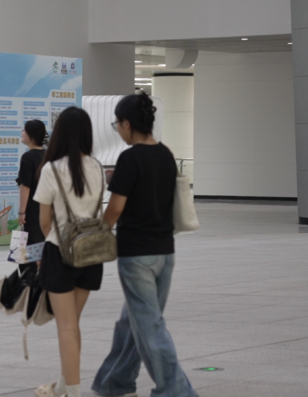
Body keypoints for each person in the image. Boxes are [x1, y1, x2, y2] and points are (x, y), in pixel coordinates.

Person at [92, 93, 197, 397]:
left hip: (136, 254)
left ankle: (176, 390)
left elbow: (114, 209)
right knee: (132, 322)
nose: (118, 130)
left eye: (117, 124)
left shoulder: (130, 158)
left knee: (149, 325)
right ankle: (115, 382)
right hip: (165, 251)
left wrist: (98, 235)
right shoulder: (166, 154)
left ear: (127, 123)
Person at [32, 107, 105, 397]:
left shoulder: (51, 169)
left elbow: (44, 221)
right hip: (91, 251)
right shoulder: (97, 167)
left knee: (65, 327)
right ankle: (63, 386)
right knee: (72, 324)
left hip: (59, 252)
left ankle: (72, 393)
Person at [16, 119, 47, 269]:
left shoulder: (28, 157)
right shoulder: (48, 155)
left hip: (32, 211)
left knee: (29, 256)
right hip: (47, 209)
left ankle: (30, 279)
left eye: (24, 130)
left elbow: (25, 187)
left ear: (31, 135)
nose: (22, 133)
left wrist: (22, 212)